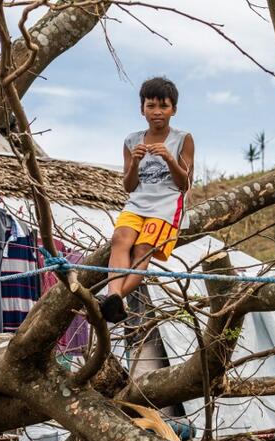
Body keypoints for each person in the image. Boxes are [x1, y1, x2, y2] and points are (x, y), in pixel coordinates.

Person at [98, 76, 195, 323]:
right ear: (142, 109)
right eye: (151, 106)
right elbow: (129, 186)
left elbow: (184, 184)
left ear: (174, 109)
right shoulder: (132, 141)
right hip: (137, 202)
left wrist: (170, 160)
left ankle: (114, 297)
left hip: (166, 205)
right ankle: (114, 297)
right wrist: (135, 162)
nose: (157, 112)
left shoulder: (183, 139)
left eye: (163, 106)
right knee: (120, 239)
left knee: (142, 249)